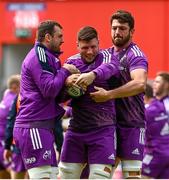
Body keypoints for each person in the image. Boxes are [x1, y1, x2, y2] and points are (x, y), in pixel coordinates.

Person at [75, 10, 148, 178]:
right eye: (114, 28)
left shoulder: (135, 55)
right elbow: (80, 64)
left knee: (132, 176)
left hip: (131, 124)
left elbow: (140, 83)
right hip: (105, 126)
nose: (117, 32)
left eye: (122, 28)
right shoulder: (103, 55)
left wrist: (109, 95)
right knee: (97, 175)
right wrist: (69, 71)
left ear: (132, 31)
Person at [13, 20, 79, 179]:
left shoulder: (49, 57)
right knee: (43, 177)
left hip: (43, 127)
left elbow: (55, 94)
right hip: (33, 126)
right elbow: (49, 89)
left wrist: (72, 89)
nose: (63, 40)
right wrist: (65, 71)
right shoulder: (39, 55)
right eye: (59, 36)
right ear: (48, 37)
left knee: (51, 175)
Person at [58, 26, 120, 179]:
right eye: (85, 47)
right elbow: (60, 97)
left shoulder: (108, 55)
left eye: (93, 46)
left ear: (99, 43)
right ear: (77, 45)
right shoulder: (70, 62)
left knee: (99, 176)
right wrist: (67, 83)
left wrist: (92, 75)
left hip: (103, 130)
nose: (90, 51)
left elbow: (110, 67)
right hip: (76, 130)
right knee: (66, 175)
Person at [142, 72, 169, 178]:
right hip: (153, 152)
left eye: (157, 82)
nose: (154, 84)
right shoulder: (152, 105)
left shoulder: (164, 106)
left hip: (156, 154)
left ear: (166, 85)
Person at [0, 74, 20, 178]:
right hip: (4, 143)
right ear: (15, 87)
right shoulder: (14, 101)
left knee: (3, 174)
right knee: (14, 171)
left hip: (3, 140)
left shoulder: (7, 94)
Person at [3, 94, 27, 179]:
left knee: (17, 175)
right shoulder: (47, 94)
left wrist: (7, 146)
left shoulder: (20, 96)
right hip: (41, 143)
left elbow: (11, 122)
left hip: (20, 143)